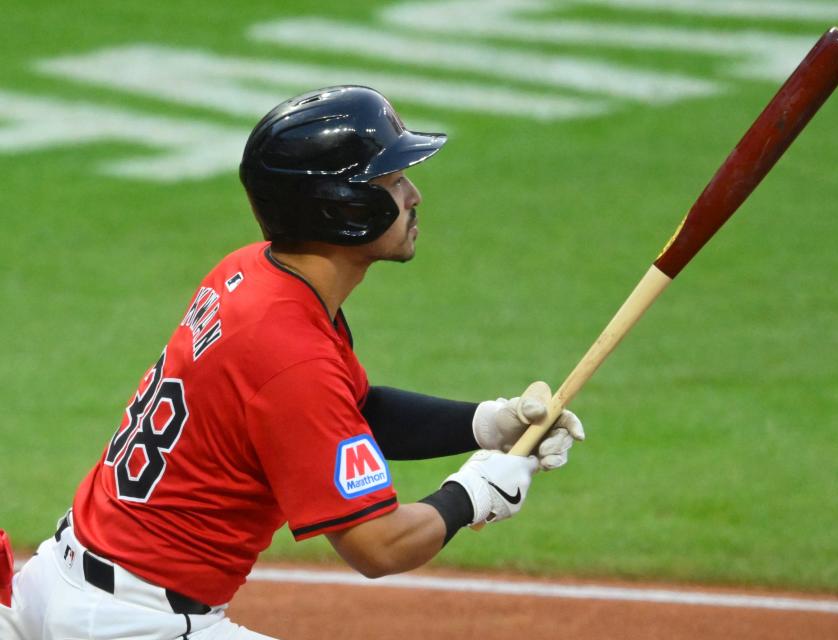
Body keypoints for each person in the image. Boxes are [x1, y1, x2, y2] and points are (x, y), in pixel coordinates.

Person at [0, 85, 584, 640]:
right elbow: (378, 547)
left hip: (58, 585)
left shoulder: (254, 275)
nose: (413, 196)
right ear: (341, 207)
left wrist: (486, 422)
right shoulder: (291, 357)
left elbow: (342, 412)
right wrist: (476, 492)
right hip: (131, 622)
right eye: (392, 180)